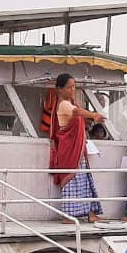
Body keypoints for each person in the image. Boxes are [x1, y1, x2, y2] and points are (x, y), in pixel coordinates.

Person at [48, 73, 105, 223]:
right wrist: (94, 115)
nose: (72, 89)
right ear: (60, 89)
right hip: (69, 150)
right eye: (69, 87)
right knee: (72, 181)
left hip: (78, 150)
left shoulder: (70, 103)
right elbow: (76, 112)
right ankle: (69, 215)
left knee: (85, 181)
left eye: (74, 86)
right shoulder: (64, 104)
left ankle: (90, 214)